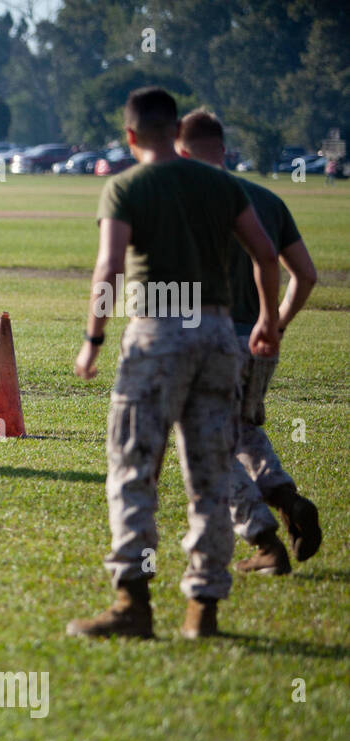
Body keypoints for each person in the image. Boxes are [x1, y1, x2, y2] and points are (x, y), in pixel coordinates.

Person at [67, 87, 281, 640]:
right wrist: (265, 318)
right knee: (209, 474)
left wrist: (93, 336)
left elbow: (109, 265)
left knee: (134, 468)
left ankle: (133, 603)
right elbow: (264, 252)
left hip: (157, 329)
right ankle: (203, 609)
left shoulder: (125, 187)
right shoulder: (221, 184)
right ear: (176, 132)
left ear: (131, 135)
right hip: (216, 331)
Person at [176, 109, 321, 574]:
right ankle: (286, 496)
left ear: (182, 151)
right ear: (224, 148)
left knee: (210, 444)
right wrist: (276, 322)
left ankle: (262, 538)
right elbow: (306, 275)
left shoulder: (188, 202)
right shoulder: (267, 200)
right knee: (243, 428)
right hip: (260, 342)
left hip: (209, 339)